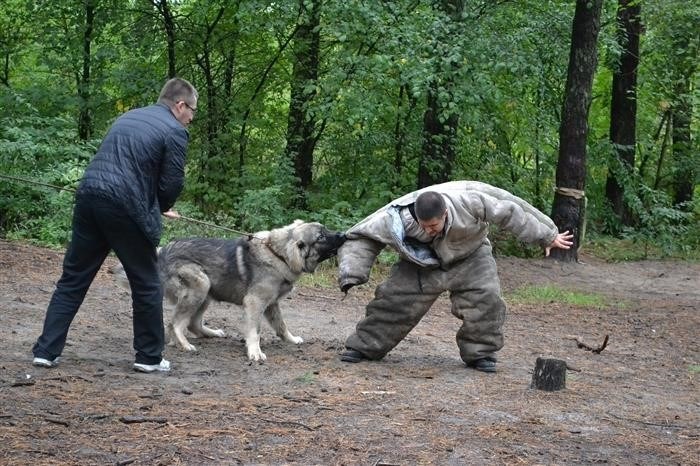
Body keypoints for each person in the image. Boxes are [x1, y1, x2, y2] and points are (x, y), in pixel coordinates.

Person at [31, 78, 198, 373]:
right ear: (180, 105)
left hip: (90, 197)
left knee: (73, 279)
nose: (191, 119)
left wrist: (154, 203)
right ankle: (148, 357)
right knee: (147, 282)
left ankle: (45, 351)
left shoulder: (129, 115)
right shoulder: (175, 130)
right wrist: (161, 205)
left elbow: (123, 163)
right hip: (124, 207)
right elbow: (172, 182)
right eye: (192, 111)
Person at [337, 180, 574, 373]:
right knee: (393, 302)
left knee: (487, 299)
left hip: (471, 255)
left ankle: (480, 353)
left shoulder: (470, 199)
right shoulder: (395, 218)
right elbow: (360, 236)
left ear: (445, 213)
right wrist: (352, 273)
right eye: (424, 226)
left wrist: (546, 234)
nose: (430, 230)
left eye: (434, 225)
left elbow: (511, 210)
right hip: (421, 264)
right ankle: (365, 346)